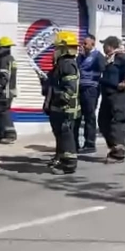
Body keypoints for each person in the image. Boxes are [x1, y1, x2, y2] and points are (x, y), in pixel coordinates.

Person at [42, 31, 80, 175]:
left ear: (63, 49)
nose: (54, 52)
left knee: (66, 135)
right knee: (60, 135)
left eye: (56, 48)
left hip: (65, 108)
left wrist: (59, 96)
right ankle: (61, 158)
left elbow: (69, 89)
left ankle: (69, 164)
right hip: (58, 108)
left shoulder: (67, 64)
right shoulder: (61, 64)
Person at [98, 36, 125, 163]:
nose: (103, 47)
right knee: (103, 122)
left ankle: (119, 153)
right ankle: (113, 147)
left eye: (105, 45)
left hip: (118, 95)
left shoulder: (121, 57)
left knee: (117, 123)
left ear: (110, 46)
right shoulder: (108, 59)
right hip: (107, 95)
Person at [73, 34, 105, 154]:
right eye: (83, 43)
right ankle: (74, 143)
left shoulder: (97, 56)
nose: (83, 45)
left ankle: (90, 143)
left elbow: (103, 70)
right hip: (79, 88)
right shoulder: (80, 57)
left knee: (89, 116)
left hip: (91, 89)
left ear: (93, 44)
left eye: (86, 43)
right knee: (76, 116)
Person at [0, 36, 17, 144]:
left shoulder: (3, 60)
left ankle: (10, 135)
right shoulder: (11, 59)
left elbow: (3, 77)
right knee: (2, 112)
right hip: (9, 91)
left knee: (3, 112)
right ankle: (2, 135)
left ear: (2, 48)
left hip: (3, 92)